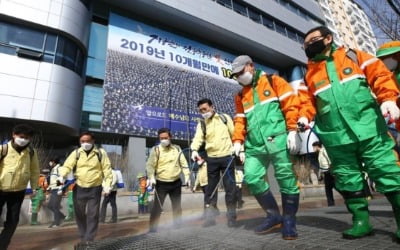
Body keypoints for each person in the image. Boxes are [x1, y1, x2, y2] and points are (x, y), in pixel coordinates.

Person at [301, 26, 400, 242]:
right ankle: (361, 221)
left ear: (328, 39)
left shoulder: (354, 57)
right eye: (306, 44)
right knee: (348, 179)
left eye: (313, 40)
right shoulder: (309, 74)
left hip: (369, 129)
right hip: (336, 137)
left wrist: (388, 98)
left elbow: (381, 76)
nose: (309, 46)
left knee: (389, 172)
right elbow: (306, 102)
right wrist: (303, 117)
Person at [230, 55, 302, 239]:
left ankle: (288, 221)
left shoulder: (273, 81)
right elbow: (240, 120)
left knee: (286, 180)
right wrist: (237, 140)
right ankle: (273, 215)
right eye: (235, 75)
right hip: (255, 145)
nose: (239, 77)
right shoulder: (240, 96)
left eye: (241, 72)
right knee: (252, 178)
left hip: (278, 139)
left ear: (251, 66)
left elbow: (291, 105)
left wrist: (293, 129)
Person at [57, 132, 113, 247]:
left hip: (95, 188)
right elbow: (67, 165)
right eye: (82, 141)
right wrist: (62, 175)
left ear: (93, 141)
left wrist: (107, 185)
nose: (85, 143)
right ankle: (83, 236)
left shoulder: (100, 153)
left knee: (93, 214)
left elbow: (107, 169)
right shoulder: (76, 153)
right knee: (80, 214)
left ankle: (89, 238)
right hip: (80, 187)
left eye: (88, 141)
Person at [190, 98, 237, 228]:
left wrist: (238, 146)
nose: (203, 112)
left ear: (212, 107)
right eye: (200, 110)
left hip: (227, 157)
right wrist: (194, 150)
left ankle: (231, 217)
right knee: (210, 190)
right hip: (212, 160)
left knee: (230, 189)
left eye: (205, 109)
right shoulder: (202, 124)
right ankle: (210, 217)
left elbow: (234, 134)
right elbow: (198, 138)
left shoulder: (224, 118)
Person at [0, 124, 39, 250]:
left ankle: (2, 245)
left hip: (18, 192)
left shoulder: (31, 152)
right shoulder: (3, 149)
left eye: (27, 138)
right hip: (0, 189)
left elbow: (35, 171)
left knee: (12, 222)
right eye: (21, 137)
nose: (23, 140)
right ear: (14, 135)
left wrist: (34, 187)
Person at [146, 128, 190, 232]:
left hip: (175, 183)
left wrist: (187, 176)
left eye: (165, 138)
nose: (163, 140)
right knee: (157, 208)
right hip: (161, 184)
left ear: (170, 137)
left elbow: (184, 164)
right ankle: (152, 229)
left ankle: (178, 227)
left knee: (177, 207)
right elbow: (150, 165)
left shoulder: (177, 149)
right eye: (161, 138)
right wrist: (151, 177)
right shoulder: (155, 150)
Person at [312, 141, 335, 206]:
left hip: (329, 171)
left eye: (313, 147)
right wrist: (320, 174)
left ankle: (347, 197)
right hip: (325, 172)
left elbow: (329, 159)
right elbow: (321, 165)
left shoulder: (324, 151)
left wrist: (331, 169)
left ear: (316, 146)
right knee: (328, 188)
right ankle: (330, 204)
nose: (313, 149)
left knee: (333, 186)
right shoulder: (319, 153)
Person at [47, 158, 66, 228]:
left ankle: (56, 222)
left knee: (55, 206)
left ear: (54, 162)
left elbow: (61, 178)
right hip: (53, 189)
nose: (50, 163)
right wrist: (49, 187)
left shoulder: (59, 168)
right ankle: (61, 216)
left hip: (57, 190)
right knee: (50, 206)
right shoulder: (53, 169)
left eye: (51, 162)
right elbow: (53, 180)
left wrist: (60, 188)